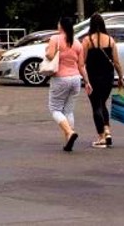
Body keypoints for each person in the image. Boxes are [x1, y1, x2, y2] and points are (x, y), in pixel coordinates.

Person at [81, 13, 124, 148]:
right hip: (108, 76)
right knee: (103, 103)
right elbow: (116, 62)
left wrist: (85, 80)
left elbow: (82, 62)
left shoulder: (87, 40)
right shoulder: (111, 40)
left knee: (96, 105)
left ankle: (101, 137)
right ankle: (107, 131)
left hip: (93, 77)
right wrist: (121, 77)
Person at [45, 14, 87, 151]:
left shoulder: (55, 39)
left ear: (61, 26)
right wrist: (87, 82)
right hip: (76, 79)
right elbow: (81, 66)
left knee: (55, 109)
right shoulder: (77, 43)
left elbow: (50, 56)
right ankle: (68, 139)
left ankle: (70, 133)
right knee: (68, 110)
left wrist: (47, 52)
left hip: (60, 78)